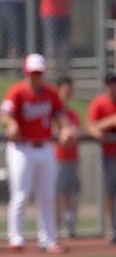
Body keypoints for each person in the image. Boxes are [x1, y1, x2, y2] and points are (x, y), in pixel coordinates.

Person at [0, 54, 73, 253]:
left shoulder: (50, 93)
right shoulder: (17, 91)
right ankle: (16, 238)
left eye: (39, 72)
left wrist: (65, 128)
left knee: (48, 195)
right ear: (26, 72)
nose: (36, 76)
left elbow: (60, 116)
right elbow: (5, 113)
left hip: (46, 147)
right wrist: (12, 123)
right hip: (22, 149)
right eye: (33, 72)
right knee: (21, 195)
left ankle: (48, 239)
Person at [86, 70, 116, 244]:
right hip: (109, 154)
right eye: (110, 83)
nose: (113, 86)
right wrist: (110, 121)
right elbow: (91, 126)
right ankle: (112, 228)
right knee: (110, 192)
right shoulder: (99, 103)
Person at [53, 76, 80, 239]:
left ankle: (69, 225)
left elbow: (77, 130)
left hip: (72, 158)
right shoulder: (53, 113)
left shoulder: (72, 114)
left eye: (70, 90)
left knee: (71, 193)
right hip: (57, 158)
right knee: (56, 193)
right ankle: (55, 226)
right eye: (65, 90)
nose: (68, 93)